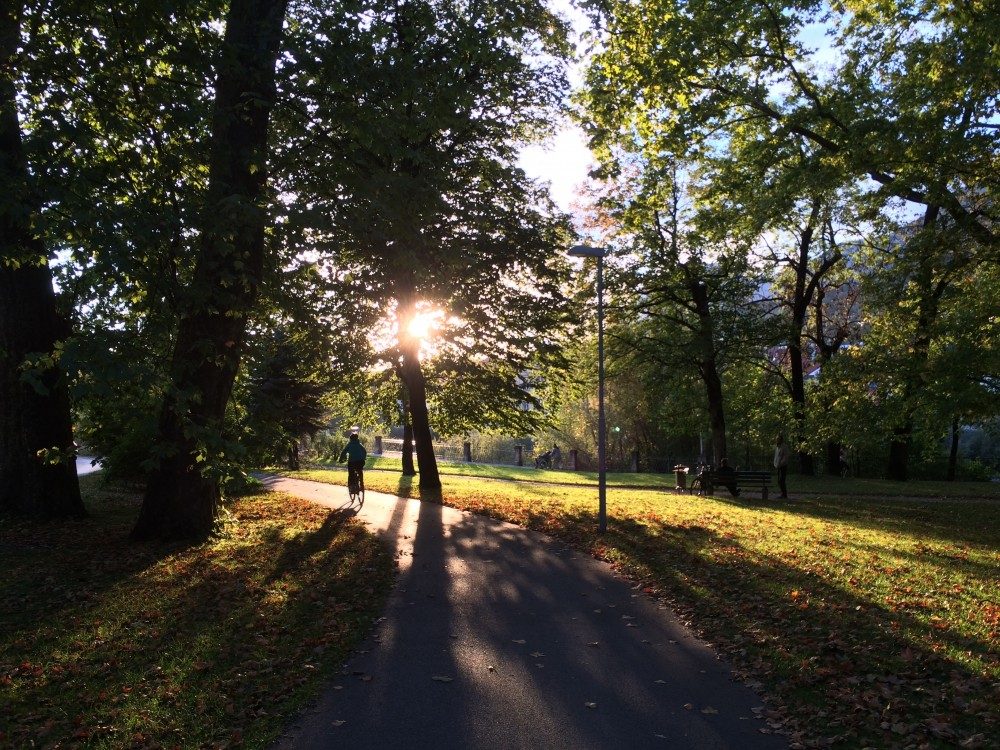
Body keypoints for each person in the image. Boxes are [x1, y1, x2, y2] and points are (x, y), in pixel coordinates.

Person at [774, 434, 790, 499]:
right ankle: (783, 494)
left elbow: (785, 457)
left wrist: (780, 464)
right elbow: (776, 456)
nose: (777, 440)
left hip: (783, 466)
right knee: (779, 481)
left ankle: (784, 494)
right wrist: (775, 464)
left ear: (781, 440)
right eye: (776, 439)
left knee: (782, 480)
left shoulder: (784, 447)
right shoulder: (777, 447)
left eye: (778, 439)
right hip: (778, 466)